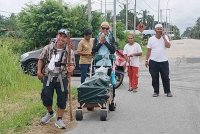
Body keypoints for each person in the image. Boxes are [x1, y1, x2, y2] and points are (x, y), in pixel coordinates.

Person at [37, 28, 75, 129]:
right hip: (48, 76)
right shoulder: (48, 48)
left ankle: (59, 119)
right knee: (46, 96)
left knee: (62, 98)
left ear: (67, 40)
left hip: (62, 78)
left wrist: (71, 68)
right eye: (60, 35)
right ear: (57, 36)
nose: (61, 38)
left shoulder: (69, 51)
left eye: (64, 37)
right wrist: (39, 71)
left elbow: (72, 65)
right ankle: (50, 113)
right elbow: (41, 59)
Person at [145, 24, 173, 97]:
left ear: (162, 30)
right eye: (158, 29)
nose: (159, 30)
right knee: (154, 77)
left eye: (161, 29)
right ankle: (156, 92)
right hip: (153, 61)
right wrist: (146, 60)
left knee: (166, 77)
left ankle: (168, 91)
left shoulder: (165, 37)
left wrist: (163, 37)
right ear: (155, 30)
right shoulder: (151, 39)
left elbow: (168, 46)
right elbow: (148, 51)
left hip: (164, 61)